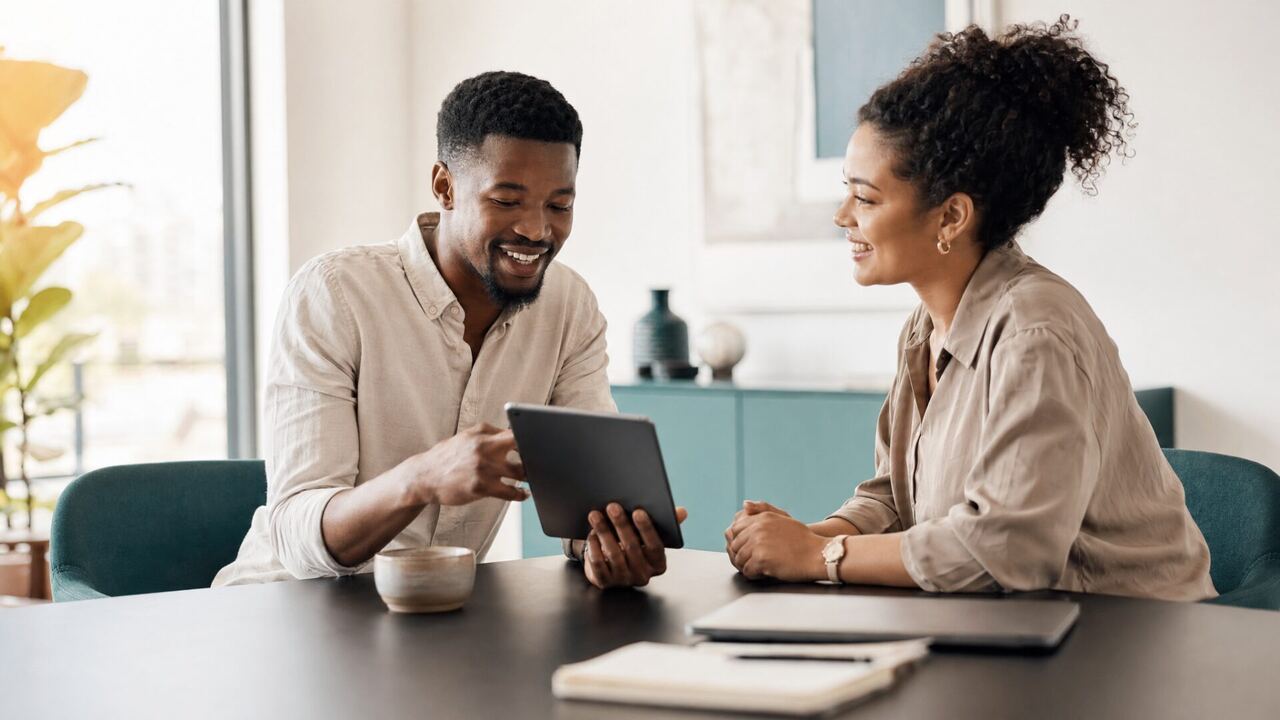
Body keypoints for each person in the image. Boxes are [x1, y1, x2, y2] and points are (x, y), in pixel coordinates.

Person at [724, 17, 1215, 600]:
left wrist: (820, 556)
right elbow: (894, 496)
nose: (842, 217)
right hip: (1015, 629)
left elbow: (1009, 551)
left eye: (865, 197)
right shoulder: (924, 329)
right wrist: (804, 537)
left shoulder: (1036, 332)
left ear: (952, 217)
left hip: (1131, 645)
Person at [214, 71, 682, 590]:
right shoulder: (334, 294)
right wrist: (422, 477)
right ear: (445, 187)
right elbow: (297, 534)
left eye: (559, 205)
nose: (536, 230)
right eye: (507, 201)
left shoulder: (569, 306)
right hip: (282, 609)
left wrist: (602, 545)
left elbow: (589, 496)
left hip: (434, 614)